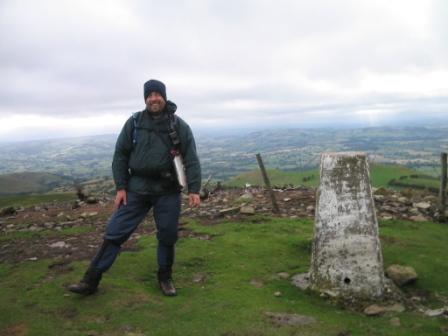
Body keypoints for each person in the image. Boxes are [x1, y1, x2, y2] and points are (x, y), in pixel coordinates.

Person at [68, 79, 201, 296]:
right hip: (136, 188)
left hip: (167, 190)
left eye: (158, 94)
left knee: (167, 235)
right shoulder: (134, 122)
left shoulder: (179, 126)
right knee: (114, 232)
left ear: (164, 97)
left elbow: (191, 159)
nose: (153, 98)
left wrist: (194, 189)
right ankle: (90, 281)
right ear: (145, 98)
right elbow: (120, 155)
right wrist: (121, 187)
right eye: (149, 95)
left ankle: (165, 278)